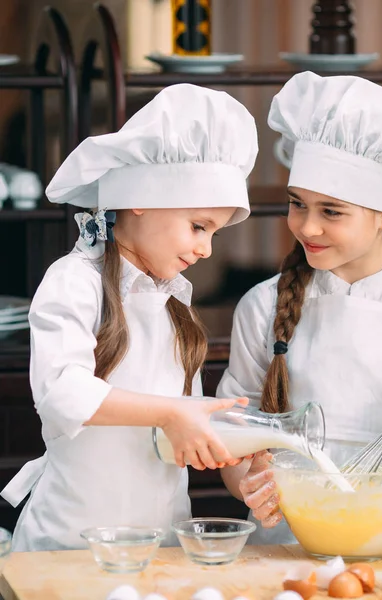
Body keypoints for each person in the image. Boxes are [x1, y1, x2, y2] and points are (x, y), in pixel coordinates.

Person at [217, 71, 382, 544]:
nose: (307, 227)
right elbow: (233, 438)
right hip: (282, 552)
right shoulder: (262, 306)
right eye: (297, 204)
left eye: (331, 211)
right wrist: (249, 483)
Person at [1, 84, 258, 551]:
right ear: (142, 197)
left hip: (159, 546)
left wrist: (235, 446)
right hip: (68, 545)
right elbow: (62, 393)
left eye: (213, 232)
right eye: (199, 226)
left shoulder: (176, 304)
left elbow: (182, 424)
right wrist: (171, 412)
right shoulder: (73, 280)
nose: (206, 248)